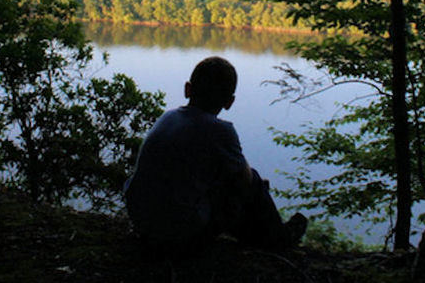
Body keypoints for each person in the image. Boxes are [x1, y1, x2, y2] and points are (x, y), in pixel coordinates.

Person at [124, 56, 307, 252]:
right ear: (229, 102)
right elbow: (244, 181)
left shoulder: (168, 117)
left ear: (187, 89)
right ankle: (279, 240)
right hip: (177, 236)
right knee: (251, 181)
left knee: (226, 182)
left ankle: (265, 236)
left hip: (141, 222)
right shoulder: (220, 131)